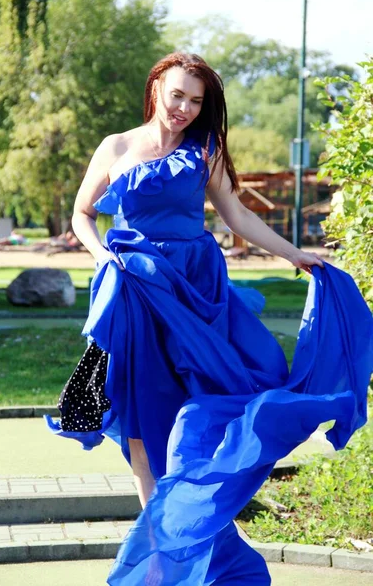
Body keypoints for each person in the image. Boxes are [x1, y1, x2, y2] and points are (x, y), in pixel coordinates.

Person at [45, 53, 373, 585]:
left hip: (198, 289)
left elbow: (237, 215)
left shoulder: (207, 151)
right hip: (137, 290)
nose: (184, 108)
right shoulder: (117, 147)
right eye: (177, 95)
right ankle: (159, 555)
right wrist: (102, 255)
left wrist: (295, 254)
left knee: (222, 393)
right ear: (156, 88)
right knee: (141, 415)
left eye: (196, 101)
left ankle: (189, 535)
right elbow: (83, 213)